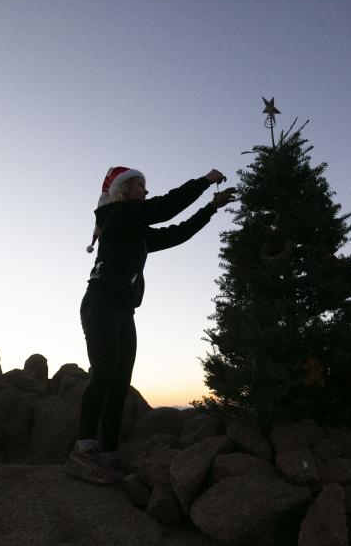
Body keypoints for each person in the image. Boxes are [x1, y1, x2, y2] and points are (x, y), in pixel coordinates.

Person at [66, 166, 237, 484]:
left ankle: (109, 455)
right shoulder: (117, 215)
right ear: (124, 190)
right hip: (100, 303)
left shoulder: (135, 228)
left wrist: (211, 208)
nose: (145, 191)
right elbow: (165, 207)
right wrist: (203, 181)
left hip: (123, 310)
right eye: (140, 186)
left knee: (120, 382)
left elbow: (177, 232)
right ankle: (83, 451)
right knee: (104, 374)